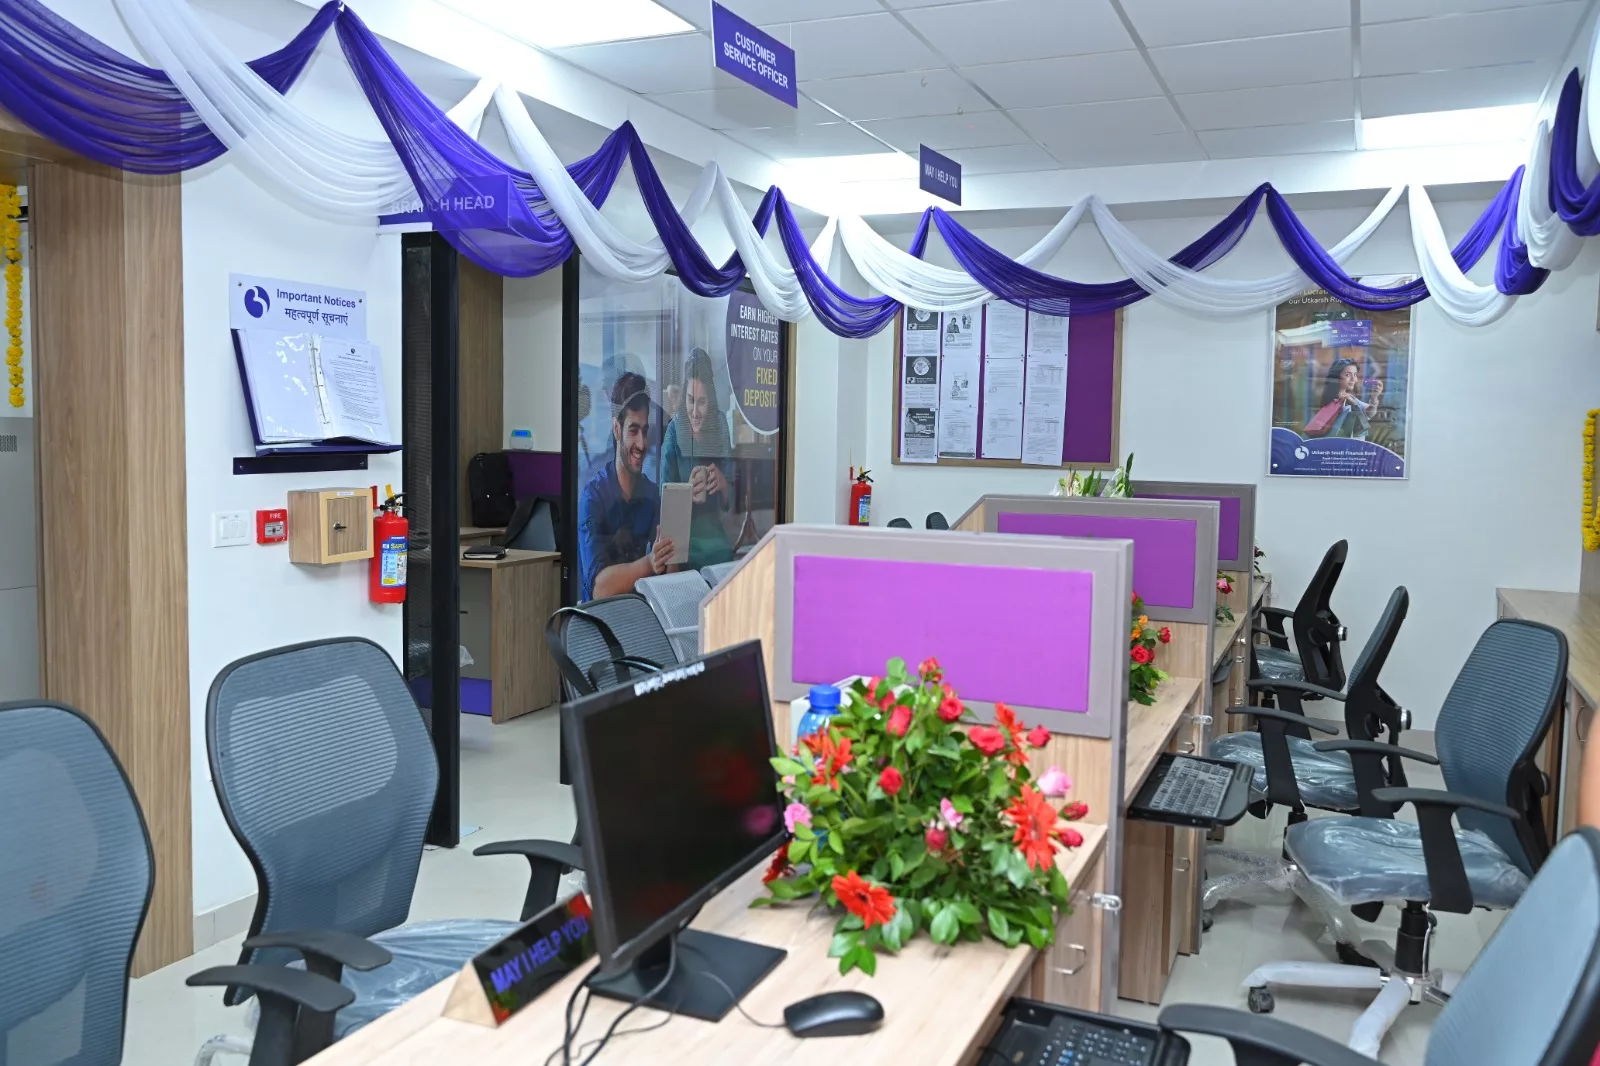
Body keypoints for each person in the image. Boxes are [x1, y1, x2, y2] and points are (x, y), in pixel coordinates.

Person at [577, 372, 675, 600]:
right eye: (633, 430)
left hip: (639, 611)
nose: (641, 443)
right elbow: (600, 589)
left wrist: (671, 553)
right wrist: (650, 563)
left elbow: (670, 578)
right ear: (616, 429)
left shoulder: (651, 495)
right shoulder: (593, 498)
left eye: (645, 431)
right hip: (599, 616)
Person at [662, 348, 734, 567]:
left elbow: (733, 499)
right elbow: (662, 498)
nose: (694, 411)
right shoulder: (674, 430)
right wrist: (686, 492)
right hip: (681, 534)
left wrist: (722, 483)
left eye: (701, 402)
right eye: (690, 400)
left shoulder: (719, 424)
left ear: (710, 400)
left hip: (713, 532)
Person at [1305, 357, 1381, 440]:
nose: (1354, 379)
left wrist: (1374, 397)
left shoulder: (1349, 398)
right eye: (1348, 375)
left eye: (1355, 374)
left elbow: (1369, 413)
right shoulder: (1333, 401)